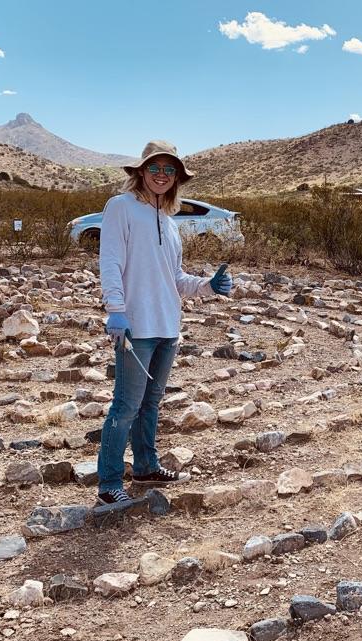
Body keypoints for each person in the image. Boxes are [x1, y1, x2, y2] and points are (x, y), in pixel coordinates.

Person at [96, 140, 233, 506]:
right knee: (125, 406)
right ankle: (109, 482)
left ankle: (145, 466)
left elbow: (175, 279)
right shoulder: (120, 207)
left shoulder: (170, 223)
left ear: (176, 178)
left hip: (168, 326)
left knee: (151, 403)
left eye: (168, 170)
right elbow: (110, 261)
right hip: (135, 327)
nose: (161, 175)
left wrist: (207, 286)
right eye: (154, 168)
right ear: (141, 172)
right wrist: (116, 308)